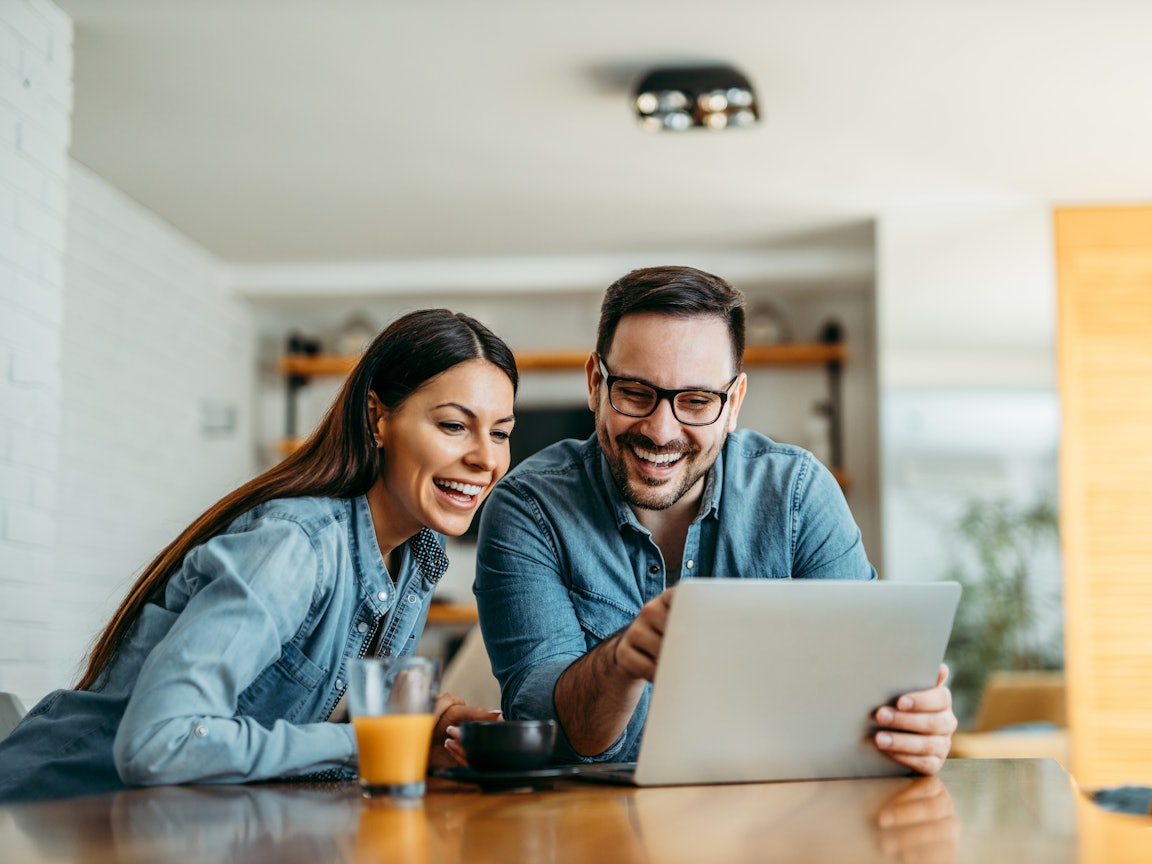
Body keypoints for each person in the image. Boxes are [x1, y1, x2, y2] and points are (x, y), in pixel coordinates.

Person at [0, 309, 517, 802]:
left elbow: (313, 725)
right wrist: (381, 742)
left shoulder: (414, 563)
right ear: (377, 418)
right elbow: (158, 743)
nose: (485, 458)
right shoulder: (293, 546)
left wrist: (423, 726)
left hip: (176, 828)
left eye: (500, 433)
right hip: (47, 816)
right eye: (454, 425)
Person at [474, 266, 957, 775]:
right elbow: (545, 732)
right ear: (596, 383)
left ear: (734, 403)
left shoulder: (798, 495)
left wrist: (912, 728)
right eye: (636, 393)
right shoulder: (526, 509)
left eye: (697, 401)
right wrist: (620, 663)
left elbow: (862, 692)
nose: (661, 431)